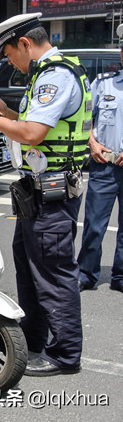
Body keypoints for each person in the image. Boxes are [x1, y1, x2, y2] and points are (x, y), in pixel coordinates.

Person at [0, 12, 90, 376]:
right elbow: (31, 122)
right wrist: (5, 110)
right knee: (30, 269)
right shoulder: (45, 74)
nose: (10, 62)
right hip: (36, 194)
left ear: (25, 44)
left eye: (10, 53)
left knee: (53, 273)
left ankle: (64, 355)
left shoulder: (55, 76)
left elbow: (31, 134)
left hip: (51, 193)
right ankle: (34, 341)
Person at [77, 25, 123, 294]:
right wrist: (92, 143)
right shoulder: (103, 83)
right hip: (104, 164)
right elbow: (84, 120)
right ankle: (86, 273)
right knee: (94, 225)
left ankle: (120, 276)